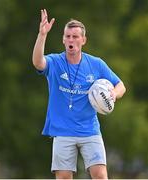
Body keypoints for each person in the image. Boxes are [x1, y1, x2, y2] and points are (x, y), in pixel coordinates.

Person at [32, 9, 126, 179]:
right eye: (68, 36)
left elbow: (120, 85)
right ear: (63, 39)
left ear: (83, 40)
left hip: (89, 130)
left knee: (100, 175)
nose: (71, 40)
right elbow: (38, 62)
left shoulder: (96, 64)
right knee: (64, 177)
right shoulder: (55, 62)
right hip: (62, 131)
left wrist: (114, 93)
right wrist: (42, 35)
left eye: (75, 37)